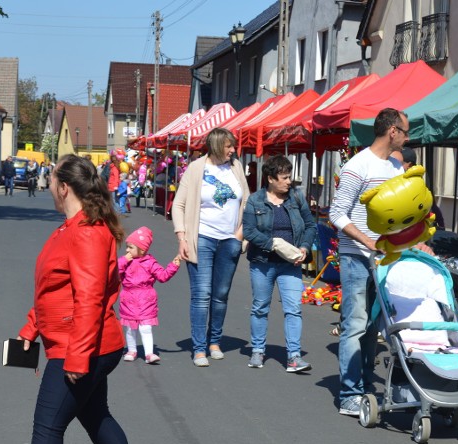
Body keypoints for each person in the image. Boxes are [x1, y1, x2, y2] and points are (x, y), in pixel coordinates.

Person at [0, 154, 145, 444]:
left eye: (51, 181)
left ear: (64, 187)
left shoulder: (85, 231)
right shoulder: (72, 228)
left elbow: (89, 299)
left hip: (82, 345)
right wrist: (30, 328)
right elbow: (56, 291)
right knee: (94, 413)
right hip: (85, 340)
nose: (49, 186)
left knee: (48, 424)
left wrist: (76, 359)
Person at [329, 108, 409, 416]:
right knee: (354, 325)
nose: (407, 137)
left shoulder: (396, 168)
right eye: (405, 131)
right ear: (392, 132)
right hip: (356, 258)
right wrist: (366, 241)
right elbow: (336, 212)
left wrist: (418, 241)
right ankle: (350, 393)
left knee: (373, 329)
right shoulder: (357, 165)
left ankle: (364, 386)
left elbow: (401, 215)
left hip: (385, 261)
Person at [172, 127, 249, 367]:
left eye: (233, 146)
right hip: (202, 238)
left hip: (230, 240)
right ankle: (199, 348)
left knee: (221, 294)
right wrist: (182, 237)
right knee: (201, 295)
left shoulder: (236, 168)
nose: (233, 150)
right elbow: (179, 205)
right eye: (228, 146)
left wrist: (239, 235)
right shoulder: (197, 168)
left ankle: (214, 341)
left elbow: (246, 201)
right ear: (216, 146)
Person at [242, 155, 317, 372]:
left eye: (289, 177)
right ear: (271, 179)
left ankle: (294, 356)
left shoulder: (296, 198)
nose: (289, 182)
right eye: (284, 178)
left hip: (290, 264)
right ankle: (257, 350)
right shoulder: (256, 200)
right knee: (260, 307)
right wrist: (272, 244)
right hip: (262, 262)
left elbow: (310, 225)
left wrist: (304, 246)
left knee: (293, 309)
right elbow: (248, 231)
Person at [118, 226, 180, 364]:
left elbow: (162, 276)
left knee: (145, 328)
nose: (127, 250)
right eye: (127, 247)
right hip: (128, 299)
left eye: (131, 247)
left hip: (146, 300)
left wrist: (173, 266)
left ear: (142, 249)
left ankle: (149, 354)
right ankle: (131, 350)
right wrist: (123, 261)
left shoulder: (150, 263)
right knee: (130, 328)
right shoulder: (125, 262)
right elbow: (114, 272)